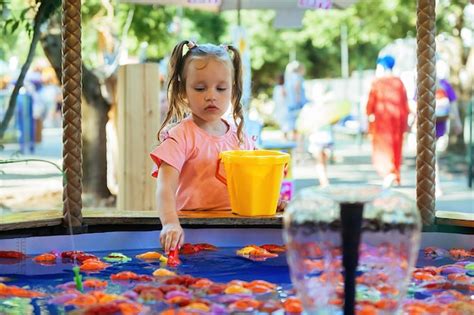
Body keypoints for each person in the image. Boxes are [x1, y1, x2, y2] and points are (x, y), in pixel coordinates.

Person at [149, 41, 255, 253]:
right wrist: (170, 223)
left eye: (221, 88)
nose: (211, 95)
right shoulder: (181, 136)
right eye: (200, 88)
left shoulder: (241, 137)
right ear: (183, 91)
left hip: (235, 235)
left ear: (233, 91)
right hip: (191, 233)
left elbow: (254, 182)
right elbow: (165, 187)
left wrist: (273, 200)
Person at [366, 55, 409, 188]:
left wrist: (369, 114)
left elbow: (371, 103)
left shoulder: (377, 83)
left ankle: (389, 173)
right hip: (398, 119)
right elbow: (404, 103)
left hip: (382, 120)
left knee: (384, 147)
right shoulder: (399, 82)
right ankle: (395, 174)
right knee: (397, 146)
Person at [283, 61, 307, 141]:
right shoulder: (298, 77)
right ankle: (297, 145)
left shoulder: (288, 78)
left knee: (291, 125)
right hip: (297, 104)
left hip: (290, 104)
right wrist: (298, 98)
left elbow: (284, 92)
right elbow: (297, 87)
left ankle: (290, 143)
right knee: (298, 125)